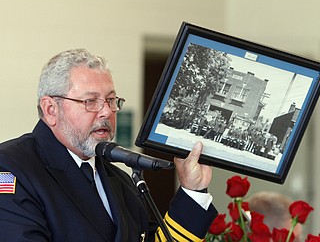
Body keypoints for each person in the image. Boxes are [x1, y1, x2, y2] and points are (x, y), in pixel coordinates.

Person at [0, 49, 218, 242]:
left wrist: (192, 188)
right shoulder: (11, 167)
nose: (106, 112)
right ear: (50, 110)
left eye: (112, 101)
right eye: (90, 101)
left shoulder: (120, 180)